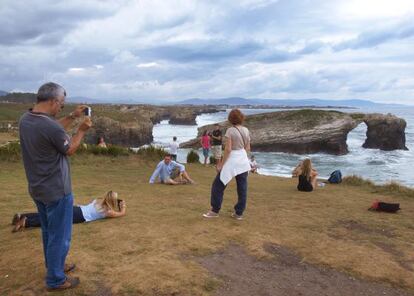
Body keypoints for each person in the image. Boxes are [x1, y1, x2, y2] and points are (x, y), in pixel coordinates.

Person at [19, 82, 92, 291]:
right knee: (59, 236)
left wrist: (71, 116)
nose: (61, 107)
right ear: (52, 101)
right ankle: (56, 280)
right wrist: (81, 130)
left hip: (37, 187)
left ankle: (55, 267)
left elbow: (52, 130)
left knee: (49, 232)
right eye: (61, 104)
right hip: (57, 189)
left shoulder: (26, 118)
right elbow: (69, 149)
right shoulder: (48, 125)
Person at [203, 109, 251, 220]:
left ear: (230, 119)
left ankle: (215, 210)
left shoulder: (230, 130)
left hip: (233, 158)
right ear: (241, 118)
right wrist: (243, 157)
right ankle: (239, 213)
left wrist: (221, 164)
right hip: (243, 160)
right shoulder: (246, 130)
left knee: (218, 185)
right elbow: (248, 148)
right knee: (242, 188)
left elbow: (228, 149)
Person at [12, 191, 126, 232]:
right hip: (79, 216)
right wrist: (123, 207)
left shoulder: (99, 201)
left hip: (77, 209)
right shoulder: (108, 212)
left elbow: (106, 205)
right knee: (52, 221)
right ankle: (26, 222)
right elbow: (121, 214)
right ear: (112, 201)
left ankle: (21, 216)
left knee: (49, 214)